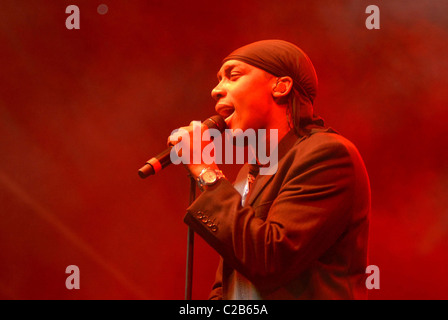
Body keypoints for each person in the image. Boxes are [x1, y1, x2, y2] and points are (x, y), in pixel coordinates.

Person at [169, 39, 371, 300]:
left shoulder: (328, 154)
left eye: (233, 76)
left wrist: (205, 170)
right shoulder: (248, 174)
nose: (216, 90)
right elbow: (229, 285)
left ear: (281, 86)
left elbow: (271, 259)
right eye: (218, 80)